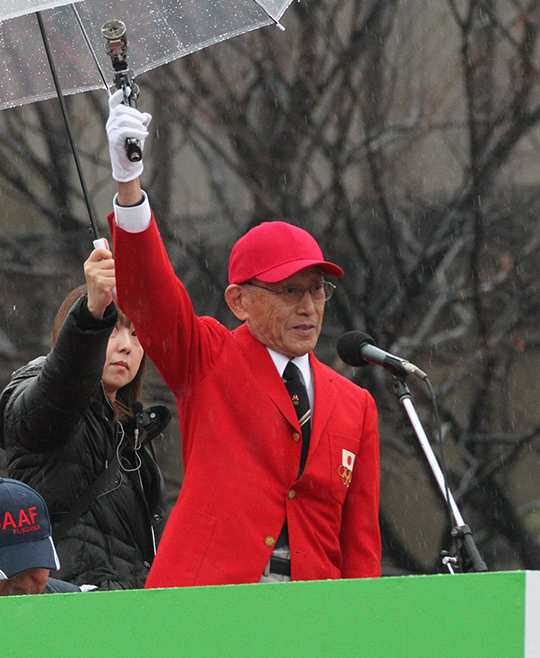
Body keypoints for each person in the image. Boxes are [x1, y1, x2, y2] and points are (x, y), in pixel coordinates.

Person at [101, 90, 381, 586]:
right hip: (213, 605)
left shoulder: (355, 404)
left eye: (317, 290)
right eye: (289, 291)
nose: (308, 306)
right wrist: (129, 186)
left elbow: (360, 547)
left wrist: (363, 623)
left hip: (313, 616)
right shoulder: (210, 357)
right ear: (239, 301)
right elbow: (150, 298)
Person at [0, 249, 171, 590]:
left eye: (136, 334)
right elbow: (63, 384)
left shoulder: (132, 436)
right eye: (113, 330)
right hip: (67, 606)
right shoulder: (45, 391)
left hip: (127, 609)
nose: (127, 345)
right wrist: (91, 316)